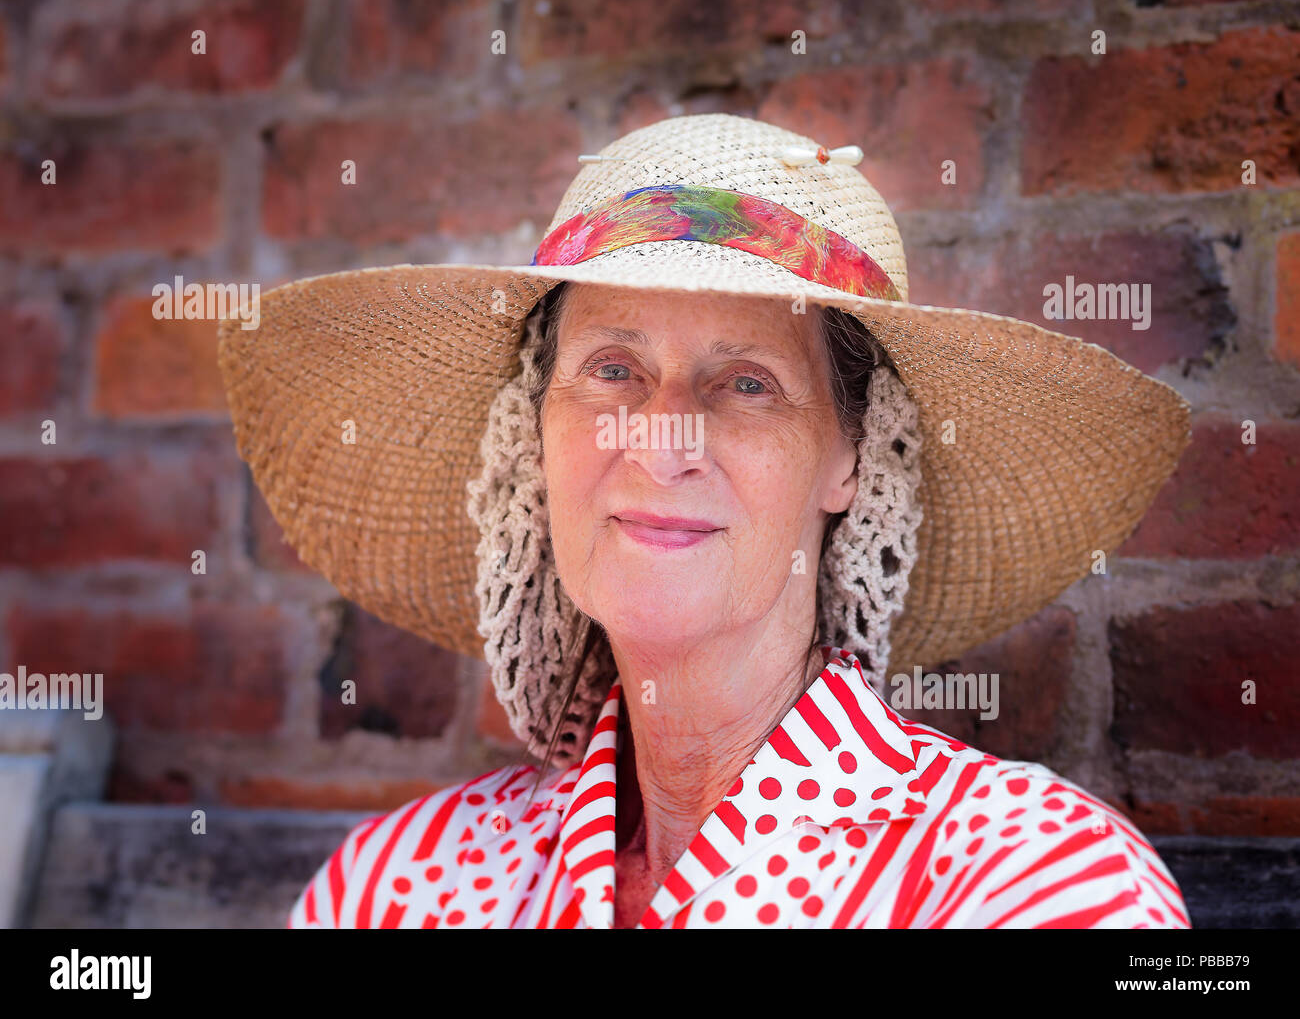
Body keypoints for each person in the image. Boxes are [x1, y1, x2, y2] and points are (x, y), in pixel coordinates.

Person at [218, 112, 1192, 928]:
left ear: (851, 457)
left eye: (744, 383)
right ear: (536, 434)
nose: (660, 442)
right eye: (612, 370)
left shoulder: (1026, 881)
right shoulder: (399, 889)